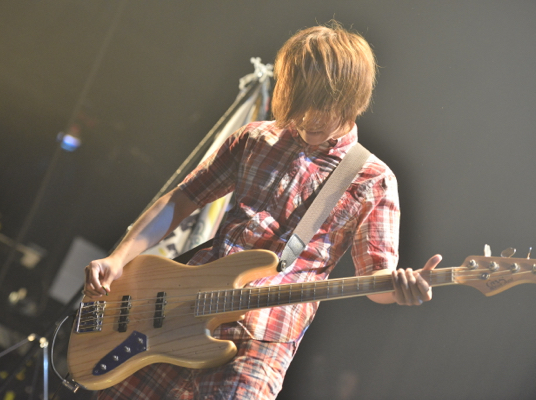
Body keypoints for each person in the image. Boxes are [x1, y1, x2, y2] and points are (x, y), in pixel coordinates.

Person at [83, 20, 442, 400]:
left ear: (351, 97)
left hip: (261, 339)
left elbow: (376, 280)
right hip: (180, 307)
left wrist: (401, 289)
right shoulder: (256, 137)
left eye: (321, 105)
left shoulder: (373, 178)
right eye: (300, 102)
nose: (308, 118)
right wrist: (119, 258)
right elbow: (182, 199)